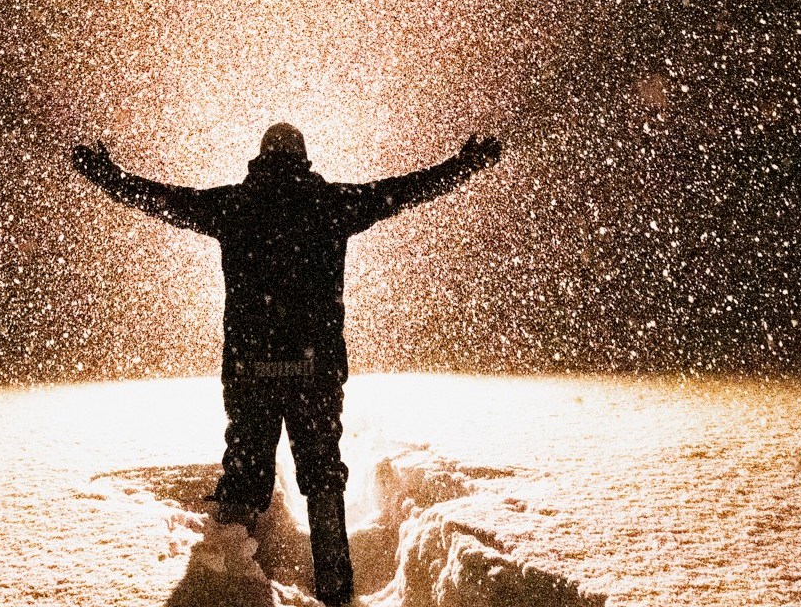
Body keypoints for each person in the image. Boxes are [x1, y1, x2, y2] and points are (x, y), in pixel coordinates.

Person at [70, 122, 505, 607]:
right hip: (314, 372)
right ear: (304, 159)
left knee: (243, 477)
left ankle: (227, 590)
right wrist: (464, 165)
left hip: (251, 370)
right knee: (322, 481)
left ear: (261, 158)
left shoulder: (235, 206)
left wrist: (105, 175)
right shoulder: (332, 204)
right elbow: (405, 190)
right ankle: (337, 594)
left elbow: (158, 199)